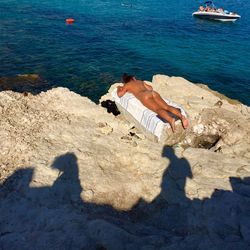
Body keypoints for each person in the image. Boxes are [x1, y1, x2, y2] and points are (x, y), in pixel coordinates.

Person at [117, 73, 189, 132]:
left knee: (158, 109)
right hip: (152, 93)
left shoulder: (127, 85)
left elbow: (120, 94)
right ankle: (181, 116)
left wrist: (119, 88)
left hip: (144, 96)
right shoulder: (140, 82)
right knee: (166, 106)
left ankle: (170, 120)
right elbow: (150, 88)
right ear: (133, 78)